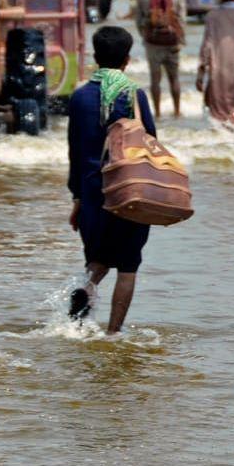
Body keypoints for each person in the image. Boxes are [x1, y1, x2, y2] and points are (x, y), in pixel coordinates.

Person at [65, 26, 159, 334]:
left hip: (93, 192)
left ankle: (78, 315)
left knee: (98, 258)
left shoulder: (79, 98)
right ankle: (113, 333)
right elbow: (150, 141)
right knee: (128, 265)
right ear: (127, 60)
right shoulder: (133, 94)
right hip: (127, 189)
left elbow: (75, 151)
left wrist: (77, 198)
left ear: (95, 57)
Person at [134, 0, 187, 122]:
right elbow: (182, 18)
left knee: (155, 80)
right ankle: (177, 111)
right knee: (175, 78)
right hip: (172, 42)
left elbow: (138, 19)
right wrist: (180, 39)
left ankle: (156, 113)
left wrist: (145, 36)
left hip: (153, 42)